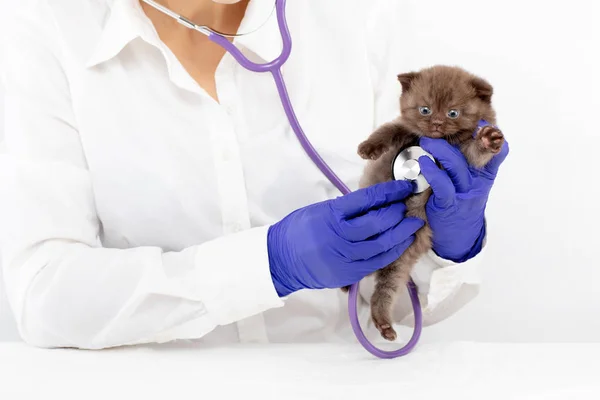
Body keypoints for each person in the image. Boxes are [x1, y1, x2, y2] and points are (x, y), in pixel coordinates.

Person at [0, 0, 508, 349]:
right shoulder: (46, 30)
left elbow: (409, 301)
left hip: (342, 382)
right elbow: (45, 295)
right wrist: (267, 264)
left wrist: (448, 243)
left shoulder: (357, 19)